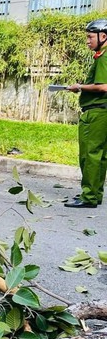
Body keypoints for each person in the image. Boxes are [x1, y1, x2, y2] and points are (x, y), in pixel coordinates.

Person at [64, 19, 107, 209]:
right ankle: (95, 194)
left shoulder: (104, 59)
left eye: (90, 37)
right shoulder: (103, 56)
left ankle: (89, 196)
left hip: (96, 112)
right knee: (100, 156)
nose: (88, 41)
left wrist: (79, 86)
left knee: (89, 155)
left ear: (103, 36)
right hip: (103, 112)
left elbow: (103, 86)